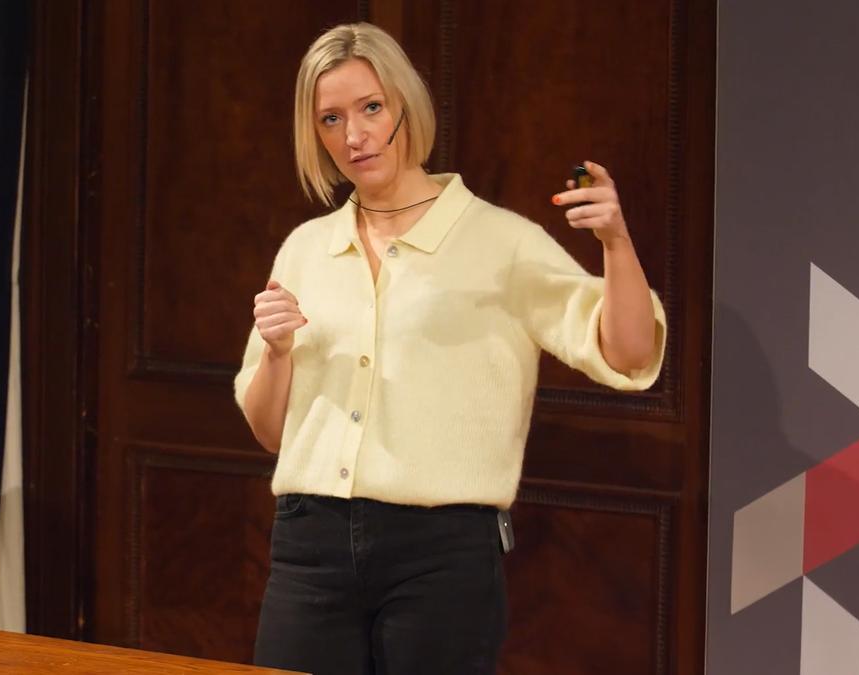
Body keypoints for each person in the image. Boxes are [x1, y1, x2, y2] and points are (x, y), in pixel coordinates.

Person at [233, 22, 665, 675]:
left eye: (370, 108)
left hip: (440, 555)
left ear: (407, 104)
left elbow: (630, 353)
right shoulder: (304, 248)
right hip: (308, 546)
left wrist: (616, 241)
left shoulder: (499, 242)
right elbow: (271, 433)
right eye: (330, 118)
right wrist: (278, 353)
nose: (354, 135)